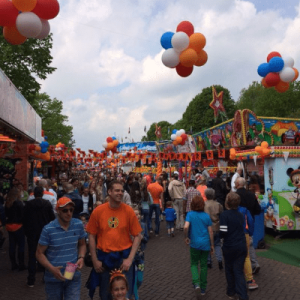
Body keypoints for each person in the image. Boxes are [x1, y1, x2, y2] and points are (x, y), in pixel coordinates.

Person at [86, 180, 142, 300]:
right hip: (105, 259)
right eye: (117, 190)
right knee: (106, 294)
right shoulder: (98, 211)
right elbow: (91, 235)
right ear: (109, 192)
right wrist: (95, 260)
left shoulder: (128, 211)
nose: (120, 193)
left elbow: (138, 235)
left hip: (123, 259)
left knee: (124, 294)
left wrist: (130, 259)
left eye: (122, 191)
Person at [36, 197, 87, 300]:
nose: (69, 213)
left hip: (72, 273)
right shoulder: (48, 229)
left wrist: (81, 257)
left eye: (71, 210)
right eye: (65, 210)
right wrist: (52, 269)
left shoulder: (78, 224)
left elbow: (82, 244)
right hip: (53, 277)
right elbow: (39, 253)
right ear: (58, 211)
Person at [23, 186, 55, 287]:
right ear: (42, 193)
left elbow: (24, 219)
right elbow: (52, 218)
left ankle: (31, 279)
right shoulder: (47, 204)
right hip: (44, 233)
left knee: (32, 255)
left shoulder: (28, 205)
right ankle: (46, 277)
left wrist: (26, 231)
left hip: (32, 233)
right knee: (45, 254)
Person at [220, 192, 248, 300]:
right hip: (241, 245)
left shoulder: (224, 215)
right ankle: (243, 295)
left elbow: (223, 231)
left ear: (227, 202)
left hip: (229, 246)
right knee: (239, 270)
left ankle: (231, 291)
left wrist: (219, 236)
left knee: (229, 269)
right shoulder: (240, 215)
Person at [184, 195, 214, 297]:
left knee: (193, 264)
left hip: (194, 243)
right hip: (205, 243)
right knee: (204, 266)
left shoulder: (190, 214)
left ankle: (196, 283)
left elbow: (185, 227)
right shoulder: (206, 216)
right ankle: (203, 288)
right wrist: (212, 245)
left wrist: (186, 237)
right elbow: (210, 232)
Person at [235, 177, 262, 275]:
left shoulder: (234, 195)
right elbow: (258, 209)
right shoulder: (251, 195)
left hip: (238, 224)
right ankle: (254, 263)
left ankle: (241, 265)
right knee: (249, 243)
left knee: (239, 244)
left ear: (237, 184)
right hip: (249, 223)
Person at [5, 187, 26, 271]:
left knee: (12, 245)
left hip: (9, 226)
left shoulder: (7, 203)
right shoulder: (19, 203)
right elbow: (22, 215)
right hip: (18, 226)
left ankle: (13, 264)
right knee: (21, 245)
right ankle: (21, 264)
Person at [204, 188, 223, 270]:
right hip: (217, 226)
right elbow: (222, 216)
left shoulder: (204, 205)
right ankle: (220, 260)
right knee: (218, 244)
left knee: (207, 245)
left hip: (208, 228)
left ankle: (209, 262)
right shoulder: (218, 204)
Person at [132, 207, 148, 300]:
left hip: (140, 256)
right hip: (131, 256)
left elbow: (146, 239)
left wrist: (141, 237)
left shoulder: (143, 225)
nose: (136, 216)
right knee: (134, 278)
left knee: (140, 279)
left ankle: (134, 291)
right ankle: (136, 296)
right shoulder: (128, 226)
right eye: (134, 214)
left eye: (138, 214)